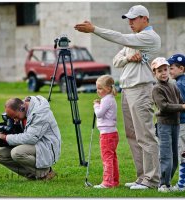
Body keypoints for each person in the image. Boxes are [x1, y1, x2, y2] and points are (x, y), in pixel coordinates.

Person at [75, 4, 160, 189]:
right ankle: (141, 177)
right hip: (128, 90)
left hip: (141, 89)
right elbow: (116, 60)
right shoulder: (133, 41)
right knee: (132, 135)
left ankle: (152, 180)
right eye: (128, 19)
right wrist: (129, 58)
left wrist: (94, 29)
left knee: (145, 135)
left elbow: (119, 38)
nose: (130, 22)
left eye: (134, 18)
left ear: (145, 18)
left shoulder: (149, 37)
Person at [0, 95, 61, 180]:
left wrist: (6, 137)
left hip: (46, 145)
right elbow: (23, 132)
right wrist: (5, 132)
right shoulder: (23, 108)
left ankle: (46, 172)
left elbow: (31, 138)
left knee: (16, 153)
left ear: (22, 108)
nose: (15, 120)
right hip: (33, 143)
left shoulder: (39, 113)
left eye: (15, 117)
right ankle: (33, 175)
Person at [151, 57, 185, 192]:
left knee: (175, 157)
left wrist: (181, 105)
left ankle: (168, 183)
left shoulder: (173, 86)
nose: (164, 73)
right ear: (154, 72)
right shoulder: (156, 89)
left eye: (165, 69)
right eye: (160, 71)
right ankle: (163, 184)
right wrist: (182, 107)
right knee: (166, 156)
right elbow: (164, 107)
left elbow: (180, 100)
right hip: (164, 125)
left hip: (175, 124)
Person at [93, 75, 119, 189]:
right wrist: (100, 104)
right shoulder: (110, 98)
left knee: (107, 158)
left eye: (100, 88)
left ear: (108, 89)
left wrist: (96, 105)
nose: (97, 91)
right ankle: (114, 180)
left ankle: (107, 182)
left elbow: (99, 114)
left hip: (106, 134)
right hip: (112, 133)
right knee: (112, 157)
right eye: (97, 88)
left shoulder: (106, 99)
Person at [167, 54, 185, 191]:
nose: (169, 71)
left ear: (181, 68)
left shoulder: (179, 85)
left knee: (182, 153)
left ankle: (181, 184)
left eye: (171, 68)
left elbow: (178, 104)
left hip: (182, 123)